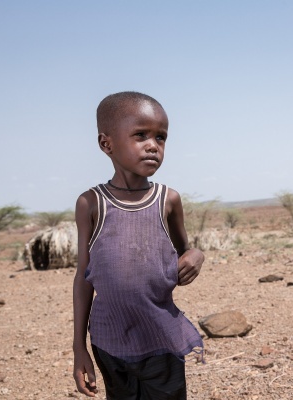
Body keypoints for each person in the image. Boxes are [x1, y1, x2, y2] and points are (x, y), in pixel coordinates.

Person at [72, 91, 204, 399]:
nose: (153, 146)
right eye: (140, 135)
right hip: (109, 340)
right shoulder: (91, 203)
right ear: (107, 144)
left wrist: (196, 255)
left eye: (161, 138)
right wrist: (79, 348)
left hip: (160, 336)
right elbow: (83, 275)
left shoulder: (167, 200)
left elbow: (187, 248)